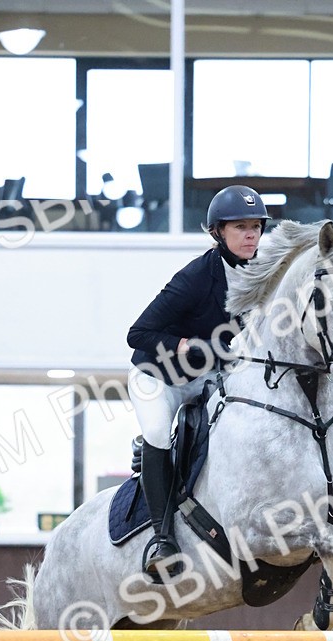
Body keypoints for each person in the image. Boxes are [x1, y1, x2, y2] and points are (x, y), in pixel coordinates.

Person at [126, 186, 268, 578]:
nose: (251, 235)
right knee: (157, 430)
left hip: (210, 377)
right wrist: (186, 345)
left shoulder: (262, 274)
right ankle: (161, 538)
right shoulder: (194, 277)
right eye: (240, 227)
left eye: (256, 227)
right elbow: (138, 333)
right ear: (217, 233)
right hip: (159, 376)